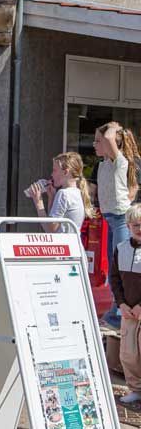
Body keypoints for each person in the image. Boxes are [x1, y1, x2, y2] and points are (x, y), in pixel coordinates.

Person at [95, 122, 139, 326]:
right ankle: (115, 311)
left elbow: (111, 137)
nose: (94, 144)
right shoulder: (104, 164)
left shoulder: (118, 162)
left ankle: (116, 313)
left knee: (120, 265)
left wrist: (112, 126)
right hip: (111, 220)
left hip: (120, 218)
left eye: (98, 141)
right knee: (114, 265)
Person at [110, 204, 141, 404]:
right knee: (128, 353)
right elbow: (115, 279)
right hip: (128, 311)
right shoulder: (121, 249)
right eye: (134, 225)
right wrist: (121, 304)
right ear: (128, 226)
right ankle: (136, 389)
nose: (138, 228)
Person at [26, 152, 95, 233]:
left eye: (54, 170)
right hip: (71, 244)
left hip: (63, 244)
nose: (52, 174)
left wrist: (38, 202)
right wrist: (52, 198)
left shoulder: (63, 194)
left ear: (65, 172)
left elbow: (51, 229)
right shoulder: (77, 192)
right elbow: (52, 224)